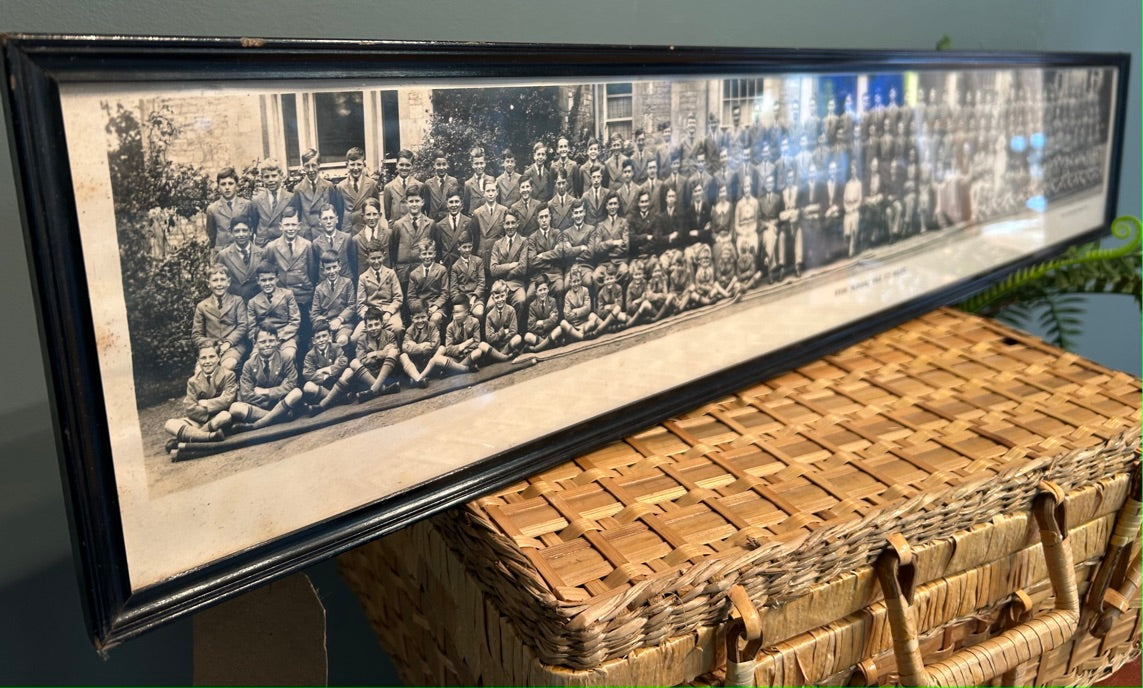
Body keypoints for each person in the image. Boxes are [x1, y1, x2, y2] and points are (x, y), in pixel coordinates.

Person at [228, 324, 303, 430]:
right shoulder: (249, 364)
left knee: (297, 393)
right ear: (255, 343)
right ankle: (278, 416)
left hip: (281, 402)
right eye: (263, 342)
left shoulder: (285, 358)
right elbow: (246, 395)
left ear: (277, 341)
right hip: (264, 408)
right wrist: (272, 398)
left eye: (271, 341)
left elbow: (292, 384)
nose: (267, 345)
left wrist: (266, 392)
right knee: (235, 408)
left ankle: (257, 424)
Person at [163, 345, 236, 451]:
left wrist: (206, 403)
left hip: (217, 419)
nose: (207, 361)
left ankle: (188, 438)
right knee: (169, 424)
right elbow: (190, 408)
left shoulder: (228, 375)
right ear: (198, 360)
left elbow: (227, 400)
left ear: (219, 358)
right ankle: (208, 436)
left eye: (211, 357)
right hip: (199, 420)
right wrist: (216, 404)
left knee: (225, 416)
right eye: (203, 358)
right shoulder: (192, 381)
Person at [191, 265, 248, 373]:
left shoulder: (237, 301)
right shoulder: (202, 306)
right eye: (215, 280)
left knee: (227, 366)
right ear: (208, 284)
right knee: (199, 371)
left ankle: (227, 384)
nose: (219, 284)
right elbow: (196, 335)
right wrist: (210, 345)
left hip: (233, 347)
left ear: (228, 282)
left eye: (222, 280)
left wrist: (228, 342)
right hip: (210, 349)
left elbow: (243, 326)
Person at [265, 206, 317, 317]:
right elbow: (268, 272)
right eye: (287, 225)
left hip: (303, 295)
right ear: (281, 226)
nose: (290, 228)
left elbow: (312, 272)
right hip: (281, 297)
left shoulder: (307, 245)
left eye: (293, 225)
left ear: (299, 226)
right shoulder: (272, 247)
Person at [246, 259, 301, 362]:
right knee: (254, 360)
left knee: (288, 356)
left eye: (271, 279)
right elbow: (252, 329)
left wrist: (279, 337)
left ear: (277, 278)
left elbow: (295, 321)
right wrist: (261, 340)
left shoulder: (287, 295)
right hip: (263, 339)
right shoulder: (253, 302)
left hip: (285, 337)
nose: (267, 283)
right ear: (258, 281)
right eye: (263, 280)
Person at [354, 241, 404, 342]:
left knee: (397, 327)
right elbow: (360, 305)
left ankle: (396, 349)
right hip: (371, 315)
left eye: (379, 258)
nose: (376, 262)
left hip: (389, 313)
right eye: (373, 258)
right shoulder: (363, 277)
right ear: (367, 258)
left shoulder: (391, 273)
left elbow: (398, 298)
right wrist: (369, 318)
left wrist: (389, 313)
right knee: (355, 337)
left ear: (384, 256)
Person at [298, 318, 349, 415]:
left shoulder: (335, 347)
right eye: (318, 337)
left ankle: (328, 401)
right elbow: (307, 373)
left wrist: (327, 370)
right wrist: (324, 377)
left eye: (324, 336)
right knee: (308, 386)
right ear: (313, 340)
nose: (321, 340)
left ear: (330, 336)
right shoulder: (310, 355)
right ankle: (339, 399)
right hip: (323, 385)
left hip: (336, 381)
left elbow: (343, 362)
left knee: (349, 372)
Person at [489, 209, 529, 329]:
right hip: (499, 285)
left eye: (512, 223)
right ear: (503, 225)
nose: (510, 226)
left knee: (521, 301)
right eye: (507, 223)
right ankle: (499, 333)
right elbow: (493, 269)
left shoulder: (523, 241)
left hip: (516, 284)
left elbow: (522, 268)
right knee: (489, 306)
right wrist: (511, 265)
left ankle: (514, 331)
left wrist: (504, 272)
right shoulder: (497, 244)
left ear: (517, 224)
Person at [310, 251, 356, 349]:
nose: (332, 271)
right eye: (328, 268)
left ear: (339, 266)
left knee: (342, 340)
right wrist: (328, 324)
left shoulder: (347, 283)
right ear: (323, 270)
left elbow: (352, 306)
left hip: (344, 324)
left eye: (334, 267)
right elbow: (314, 314)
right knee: (325, 343)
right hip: (326, 326)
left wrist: (339, 319)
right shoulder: (319, 288)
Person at [392, 184, 435, 286]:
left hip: (423, 271)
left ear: (422, 202)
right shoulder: (398, 224)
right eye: (411, 201)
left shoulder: (430, 224)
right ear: (406, 203)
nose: (414, 204)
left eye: (417, 201)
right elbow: (393, 249)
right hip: (404, 273)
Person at [295, 149, 342, 238]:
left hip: (324, 234)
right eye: (307, 166)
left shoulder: (328, 186)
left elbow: (335, 212)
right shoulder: (298, 189)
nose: (311, 170)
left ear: (319, 165)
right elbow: (297, 216)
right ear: (303, 167)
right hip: (306, 236)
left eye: (313, 165)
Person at [251, 159, 297, 246]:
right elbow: (254, 224)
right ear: (262, 178)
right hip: (263, 245)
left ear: (281, 176)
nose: (270, 180)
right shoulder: (256, 200)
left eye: (274, 176)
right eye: (266, 177)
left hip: (283, 244)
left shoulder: (291, 198)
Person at [405, 239, 449, 332]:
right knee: (417, 322)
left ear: (434, 254)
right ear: (420, 255)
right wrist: (419, 309)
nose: (427, 257)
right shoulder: (414, 273)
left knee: (435, 319)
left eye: (430, 253)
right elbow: (411, 297)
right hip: (420, 307)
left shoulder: (441, 270)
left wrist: (435, 306)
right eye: (424, 254)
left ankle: (434, 339)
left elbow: (445, 293)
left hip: (436, 306)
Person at [205, 167, 254, 249]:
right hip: (222, 252)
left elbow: (252, 229)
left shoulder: (247, 205)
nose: (227, 187)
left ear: (236, 185)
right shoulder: (212, 209)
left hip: (243, 250)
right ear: (218, 186)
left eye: (230, 183)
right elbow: (211, 235)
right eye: (223, 184)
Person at [399, 299, 444, 387]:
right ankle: (419, 378)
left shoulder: (432, 326)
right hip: (417, 363)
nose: (420, 320)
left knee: (442, 348)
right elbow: (405, 347)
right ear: (412, 318)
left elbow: (435, 344)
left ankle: (418, 378)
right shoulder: (410, 330)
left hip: (430, 361)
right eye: (417, 318)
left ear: (428, 316)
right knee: (403, 356)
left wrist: (414, 346)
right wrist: (421, 346)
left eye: (423, 317)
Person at [216, 219, 264, 300]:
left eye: (244, 230)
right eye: (237, 231)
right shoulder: (223, 255)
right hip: (234, 301)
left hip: (257, 301)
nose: (241, 234)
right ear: (231, 232)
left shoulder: (261, 253)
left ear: (251, 231)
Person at [525, 204, 564, 303]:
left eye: (546, 216)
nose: (544, 220)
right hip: (538, 276)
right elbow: (532, 261)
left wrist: (542, 255)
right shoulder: (533, 237)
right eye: (541, 217)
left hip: (555, 274)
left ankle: (559, 313)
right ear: (537, 219)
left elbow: (560, 253)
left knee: (560, 288)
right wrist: (552, 257)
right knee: (529, 295)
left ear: (550, 217)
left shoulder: (557, 233)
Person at [337, 147, 381, 233]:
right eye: (352, 164)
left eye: (359, 164)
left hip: (365, 229)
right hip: (348, 230)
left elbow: (376, 210)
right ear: (347, 165)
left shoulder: (372, 184)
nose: (356, 168)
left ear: (364, 164)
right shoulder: (340, 187)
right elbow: (339, 212)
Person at [440, 301, 488, 374]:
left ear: (466, 312)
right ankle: (464, 367)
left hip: (470, 353)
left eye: (458, 312)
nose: (455, 315)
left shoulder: (474, 322)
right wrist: (464, 345)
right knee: (441, 359)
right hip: (457, 355)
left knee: (478, 352)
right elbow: (449, 349)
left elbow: (477, 342)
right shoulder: (450, 327)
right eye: (454, 313)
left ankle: (456, 368)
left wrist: (466, 350)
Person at [312, 202, 356, 280]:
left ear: (337, 219)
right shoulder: (316, 243)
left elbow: (353, 264)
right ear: (320, 221)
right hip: (325, 283)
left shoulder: (347, 238)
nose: (329, 221)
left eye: (331, 218)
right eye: (325, 218)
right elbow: (315, 269)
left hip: (345, 282)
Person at [593, 191, 630, 285]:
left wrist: (607, 250)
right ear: (606, 206)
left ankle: (617, 291)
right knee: (595, 276)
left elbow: (626, 246)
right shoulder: (600, 225)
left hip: (619, 262)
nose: (612, 207)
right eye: (610, 204)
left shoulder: (624, 222)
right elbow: (597, 247)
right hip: (604, 263)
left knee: (624, 271)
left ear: (618, 205)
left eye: (615, 204)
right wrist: (613, 243)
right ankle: (603, 294)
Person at [560, 199, 596, 291]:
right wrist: (581, 248)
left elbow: (590, 253)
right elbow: (566, 253)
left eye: (580, 212)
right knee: (565, 285)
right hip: (571, 268)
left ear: (584, 213)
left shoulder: (591, 229)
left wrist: (573, 251)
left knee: (589, 281)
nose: (578, 215)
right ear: (572, 215)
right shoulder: (566, 233)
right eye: (576, 213)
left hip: (586, 267)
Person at [472, 178, 508, 267]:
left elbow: (505, 234)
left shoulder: (503, 210)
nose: (491, 194)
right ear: (483, 193)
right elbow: (475, 236)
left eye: (493, 190)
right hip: (483, 251)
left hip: (498, 251)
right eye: (488, 191)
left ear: (497, 192)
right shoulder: (477, 213)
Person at [448, 236, 486, 322]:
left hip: (476, 297)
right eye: (464, 247)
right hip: (462, 299)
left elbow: (482, 283)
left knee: (479, 313)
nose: (467, 250)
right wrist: (462, 302)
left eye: (469, 247)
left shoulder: (478, 261)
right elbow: (453, 289)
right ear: (459, 248)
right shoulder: (455, 266)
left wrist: (474, 297)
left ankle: (478, 330)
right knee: (458, 317)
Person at [433, 190, 474, 268]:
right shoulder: (439, 225)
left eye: (456, 202)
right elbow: (438, 249)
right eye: (451, 202)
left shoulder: (468, 222)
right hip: (447, 264)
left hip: (463, 265)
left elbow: (473, 246)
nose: (454, 205)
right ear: (447, 204)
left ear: (461, 203)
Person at [484, 280, 523, 361]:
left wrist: (499, 337)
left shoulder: (511, 310)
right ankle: (505, 356)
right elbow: (489, 338)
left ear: (506, 295)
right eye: (497, 297)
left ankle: (499, 356)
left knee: (517, 338)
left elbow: (513, 331)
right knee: (482, 345)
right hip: (496, 345)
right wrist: (503, 332)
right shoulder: (489, 316)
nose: (500, 300)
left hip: (507, 342)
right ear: (493, 298)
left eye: (502, 296)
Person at [523, 274, 563, 353]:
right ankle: (551, 344)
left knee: (560, 329)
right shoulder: (532, 305)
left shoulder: (552, 301)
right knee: (527, 336)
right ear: (536, 292)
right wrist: (548, 321)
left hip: (550, 332)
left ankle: (536, 348)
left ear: (548, 290)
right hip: (539, 335)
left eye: (544, 289)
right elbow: (531, 326)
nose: (543, 292)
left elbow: (554, 320)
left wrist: (541, 322)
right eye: (540, 290)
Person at [383, 149, 425, 222]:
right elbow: (388, 213)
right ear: (397, 165)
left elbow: (422, 211)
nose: (404, 168)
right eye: (401, 165)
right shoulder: (389, 187)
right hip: (396, 225)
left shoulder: (420, 186)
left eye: (408, 165)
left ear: (412, 166)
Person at [560, 268, 602, 341]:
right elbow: (567, 315)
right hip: (574, 325)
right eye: (574, 281)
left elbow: (588, 308)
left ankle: (577, 335)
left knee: (592, 317)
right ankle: (582, 336)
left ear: (581, 281)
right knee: (563, 323)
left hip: (585, 321)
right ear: (570, 282)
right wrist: (582, 310)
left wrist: (575, 311)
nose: (576, 284)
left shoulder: (585, 290)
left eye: (578, 281)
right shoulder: (567, 296)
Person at [351, 198, 393, 269]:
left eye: (374, 214)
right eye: (368, 214)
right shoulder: (356, 240)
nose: (371, 218)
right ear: (363, 216)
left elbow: (393, 258)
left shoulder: (388, 234)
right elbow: (354, 264)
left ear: (380, 215)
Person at [424, 149, 460, 221]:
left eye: (444, 164)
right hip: (434, 220)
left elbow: (456, 201)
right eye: (438, 165)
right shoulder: (428, 183)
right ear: (434, 165)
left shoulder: (453, 181)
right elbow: (427, 206)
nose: (441, 168)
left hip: (448, 220)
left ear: (447, 165)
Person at [594, 265, 628, 333]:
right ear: (603, 281)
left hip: (616, 312)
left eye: (611, 278)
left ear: (615, 279)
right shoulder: (601, 293)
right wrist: (614, 308)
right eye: (607, 279)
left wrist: (608, 307)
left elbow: (620, 304)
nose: (609, 281)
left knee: (622, 317)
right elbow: (600, 312)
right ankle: (604, 328)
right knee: (620, 316)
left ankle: (608, 327)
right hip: (607, 316)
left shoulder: (618, 288)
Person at [462, 146, 494, 215]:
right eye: (476, 164)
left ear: (485, 163)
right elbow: (466, 205)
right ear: (472, 165)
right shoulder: (468, 184)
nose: (479, 166)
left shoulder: (491, 180)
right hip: (474, 217)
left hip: (488, 215)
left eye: (481, 163)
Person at [624, 258, 655, 326]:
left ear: (642, 274)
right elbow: (628, 306)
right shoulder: (630, 287)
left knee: (647, 304)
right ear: (632, 275)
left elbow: (646, 295)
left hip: (644, 307)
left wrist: (638, 300)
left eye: (640, 274)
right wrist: (636, 304)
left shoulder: (644, 282)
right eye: (636, 275)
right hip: (634, 310)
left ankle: (637, 320)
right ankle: (637, 320)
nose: (638, 277)